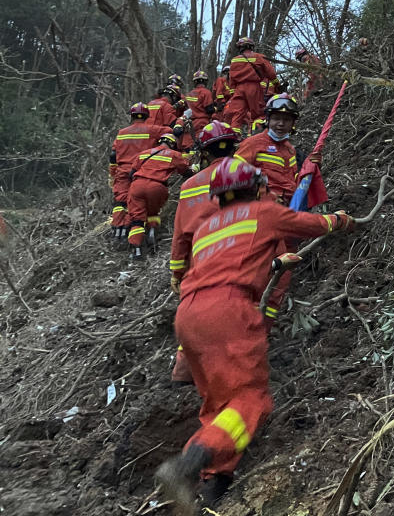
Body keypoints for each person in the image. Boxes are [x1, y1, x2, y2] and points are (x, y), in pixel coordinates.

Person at [154, 157, 354, 512]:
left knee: (219, 402)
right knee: (251, 400)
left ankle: (215, 485)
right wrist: (339, 220)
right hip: (228, 309)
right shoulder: (263, 211)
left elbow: (228, 259)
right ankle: (188, 463)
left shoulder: (205, 225)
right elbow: (312, 223)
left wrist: (271, 263)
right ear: (258, 187)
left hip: (188, 314)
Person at [168, 121, 241, 385]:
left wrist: (177, 273)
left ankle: (183, 373)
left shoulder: (189, 187)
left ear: (204, 153)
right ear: (233, 148)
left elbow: (180, 236)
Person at [110, 103, 170, 240]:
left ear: (131, 116)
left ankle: (119, 230)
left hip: (123, 171)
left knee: (121, 201)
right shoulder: (153, 130)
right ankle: (144, 230)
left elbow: (113, 154)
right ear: (147, 116)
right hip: (141, 172)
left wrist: (112, 172)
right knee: (141, 202)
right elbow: (170, 132)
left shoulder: (122, 133)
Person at [234, 94, 310, 203]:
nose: (281, 124)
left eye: (286, 120)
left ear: (293, 124)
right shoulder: (253, 144)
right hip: (261, 208)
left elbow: (292, 182)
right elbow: (233, 176)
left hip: (288, 207)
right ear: (268, 120)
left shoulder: (290, 150)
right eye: (276, 119)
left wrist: (311, 167)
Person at [127, 133, 192, 257]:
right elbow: (185, 171)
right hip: (157, 187)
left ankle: (136, 250)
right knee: (153, 213)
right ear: (173, 144)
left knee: (137, 220)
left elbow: (131, 173)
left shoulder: (144, 153)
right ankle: (152, 233)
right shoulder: (174, 155)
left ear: (159, 141)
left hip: (137, 185)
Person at [224, 37, 280, 134]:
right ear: (252, 46)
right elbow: (271, 73)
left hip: (239, 89)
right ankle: (256, 135)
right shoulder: (259, 57)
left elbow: (231, 79)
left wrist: (233, 94)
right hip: (253, 87)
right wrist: (277, 85)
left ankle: (233, 138)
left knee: (237, 115)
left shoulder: (234, 60)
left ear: (240, 48)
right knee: (258, 113)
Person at [183, 70, 216, 139]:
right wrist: (217, 108)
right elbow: (209, 109)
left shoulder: (189, 94)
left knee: (189, 142)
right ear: (205, 81)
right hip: (202, 122)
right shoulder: (206, 92)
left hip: (189, 122)